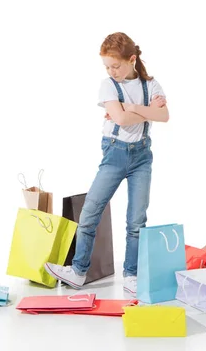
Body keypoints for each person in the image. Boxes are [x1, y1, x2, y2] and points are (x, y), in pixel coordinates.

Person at [45, 32, 169, 295]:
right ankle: (79, 271)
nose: (112, 71)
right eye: (107, 66)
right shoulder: (107, 85)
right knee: (90, 210)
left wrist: (127, 107)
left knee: (137, 219)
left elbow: (164, 116)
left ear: (132, 59)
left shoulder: (151, 84)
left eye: (116, 65)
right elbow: (123, 121)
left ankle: (131, 275)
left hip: (142, 157)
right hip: (114, 154)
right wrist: (146, 111)